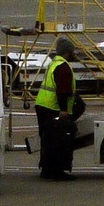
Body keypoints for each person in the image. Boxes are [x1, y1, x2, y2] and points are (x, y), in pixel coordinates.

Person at [35, 35, 78, 180]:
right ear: (68, 51)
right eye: (72, 51)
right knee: (57, 140)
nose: (74, 53)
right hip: (52, 107)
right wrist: (64, 110)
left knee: (46, 139)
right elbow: (63, 91)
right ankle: (56, 171)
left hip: (43, 105)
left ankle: (46, 170)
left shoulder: (53, 63)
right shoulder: (63, 67)